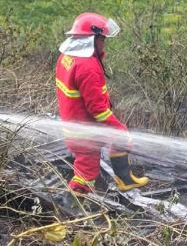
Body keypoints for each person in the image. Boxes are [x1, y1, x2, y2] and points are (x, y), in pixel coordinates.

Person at [55, 12, 149, 193]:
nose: (104, 43)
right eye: (102, 39)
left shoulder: (66, 58)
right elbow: (96, 108)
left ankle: (125, 180)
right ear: (92, 39)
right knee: (86, 174)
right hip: (85, 131)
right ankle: (68, 212)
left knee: (118, 141)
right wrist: (116, 126)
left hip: (76, 126)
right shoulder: (87, 66)